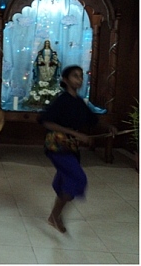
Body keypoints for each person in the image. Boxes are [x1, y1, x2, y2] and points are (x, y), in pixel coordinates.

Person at [38, 65, 117, 233]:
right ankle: (55, 215)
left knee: (68, 181)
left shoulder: (79, 102)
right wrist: (76, 134)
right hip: (57, 146)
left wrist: (108, 127)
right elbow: (46, 121)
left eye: (81, 76)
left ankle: (54, 216)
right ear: (65, 80)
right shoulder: (62, 100)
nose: (79, 79)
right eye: (75, 76)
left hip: (71, 148)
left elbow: (92, 120)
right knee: (77, 179)